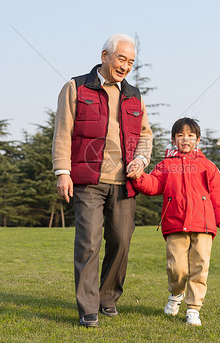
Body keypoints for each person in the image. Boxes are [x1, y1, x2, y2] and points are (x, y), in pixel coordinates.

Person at [52, 34, 153, 328]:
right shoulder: (75, 87)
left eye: (131, 62)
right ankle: (88, 308)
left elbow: (145, 135)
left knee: (121, 241)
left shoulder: (134, 95)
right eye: (121, 59)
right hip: (88, 181)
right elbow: (62, 132)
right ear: (105, 55)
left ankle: (107, 298)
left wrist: (141, 160)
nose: (126, 66)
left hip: (124, 183)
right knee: (89, 242)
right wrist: (62, 172)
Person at [127, 117, 220, 326]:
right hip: (174, 224)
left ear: (198, 139)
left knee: (199, 266)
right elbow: (154, 184)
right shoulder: (166, 165)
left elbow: (219, 194)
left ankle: (193, 309)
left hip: (203, 225)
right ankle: (176, 294)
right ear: (173, 140)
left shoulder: (207, 166)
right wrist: (138, 177)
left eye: (190, 136)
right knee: (176, 268)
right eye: (180, 136)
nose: (186, 139)